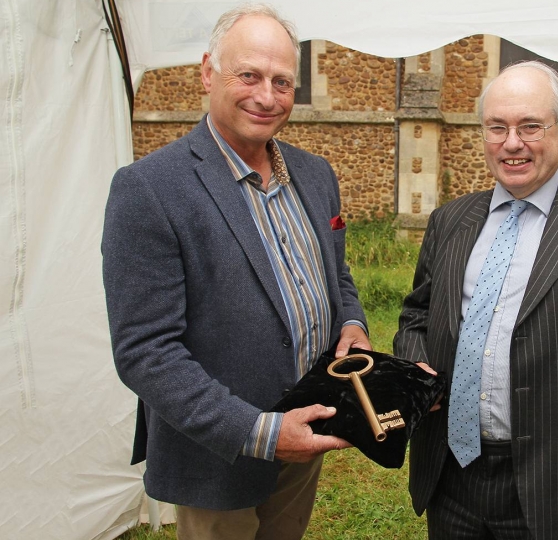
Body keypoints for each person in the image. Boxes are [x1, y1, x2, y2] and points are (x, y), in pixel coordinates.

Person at [101, 4, 370, 539]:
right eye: (248, 75)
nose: (266, 96)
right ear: (208, 72)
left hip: (306, 426)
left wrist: (353, 323)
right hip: (216, 453)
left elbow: (335, 275)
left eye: (282, 82)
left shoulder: (316, 175)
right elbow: (145, 352)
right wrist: (262, 433)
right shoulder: (148, 189)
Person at [394, 60, 558, 540]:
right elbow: (417, 314)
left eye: (529, 127)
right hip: (452, 469)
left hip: (555, 474)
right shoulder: (450, 221)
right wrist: (419, 370)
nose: (511, 143)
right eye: (497, 127)